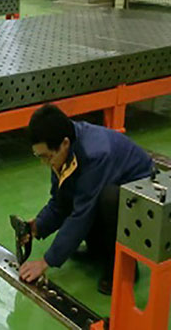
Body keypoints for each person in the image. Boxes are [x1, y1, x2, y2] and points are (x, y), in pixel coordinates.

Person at [18, 104, 154, 294]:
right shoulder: (64, 149)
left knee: (107, 199)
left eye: (47, 157)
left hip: (145, 201)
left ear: (64, 144)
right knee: (84, 192)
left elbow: (82, 213)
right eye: (39, 156)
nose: (44, 162)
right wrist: (37, 226)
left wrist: (46, 261)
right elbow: (60, 201)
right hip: (113, 186)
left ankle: (124, 269)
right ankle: (97, 251)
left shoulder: (95, 154)